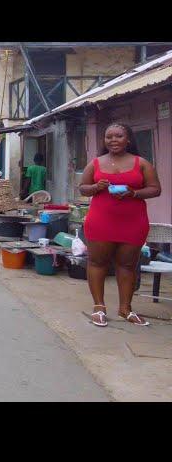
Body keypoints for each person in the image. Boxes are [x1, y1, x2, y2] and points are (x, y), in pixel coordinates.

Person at [79, 123, 161, 327]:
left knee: (127, 265)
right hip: (100, 221)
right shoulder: (96, 163)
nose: (113, 140)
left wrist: (134, 193)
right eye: (109, 137)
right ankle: (99, 307)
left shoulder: (141, 163)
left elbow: (155, 189)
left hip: (133, 222)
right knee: (97, 263)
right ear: (104, 141)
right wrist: (96, 187)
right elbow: (82, 188)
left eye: (118, 136)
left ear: (128, 140)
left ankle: (126, 308)